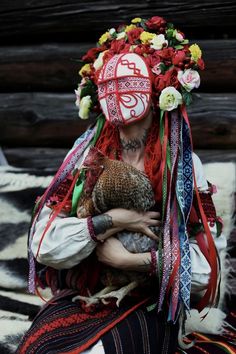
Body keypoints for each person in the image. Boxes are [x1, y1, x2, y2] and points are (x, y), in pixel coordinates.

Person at [17, 16, 226, 354]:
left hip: (150, 300)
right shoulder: (85, 156)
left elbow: (205, 271)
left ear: (158, 91)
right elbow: (43, 243)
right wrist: (112, 221)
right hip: (84, 292)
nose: (119, 95)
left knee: (103, 350)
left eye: (131, 83)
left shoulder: (183, 168)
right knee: (44, 345)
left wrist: (131, 261)